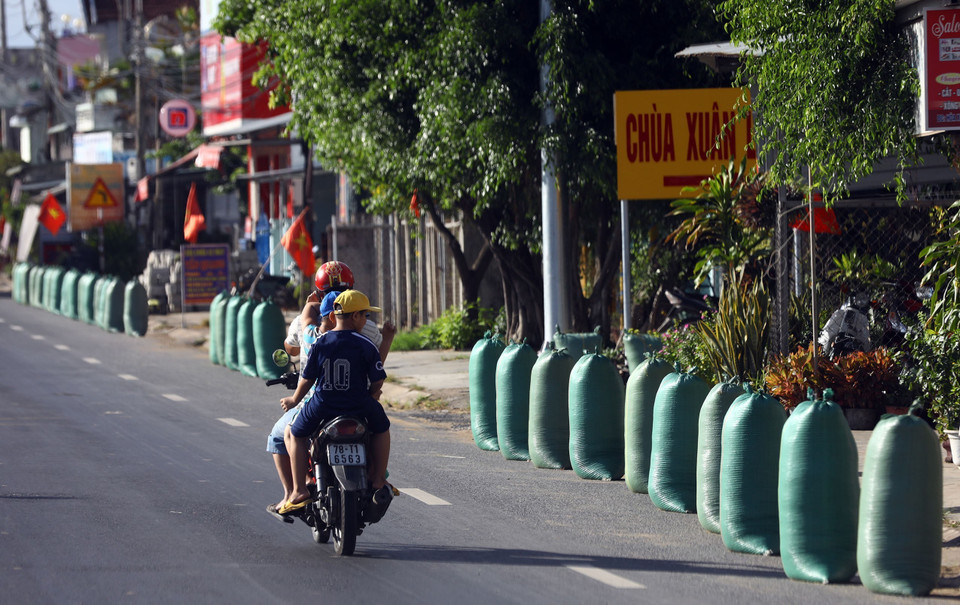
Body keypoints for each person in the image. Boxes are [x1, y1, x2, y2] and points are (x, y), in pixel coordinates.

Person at [265, 261, 395, 515]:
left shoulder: (316, 339)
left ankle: (299, 490)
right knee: (382, 427)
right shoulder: (366, 339)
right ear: (355, 315)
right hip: (358, 403)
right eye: (364, 314)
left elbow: (308, 377)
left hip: (322, 403)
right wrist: (372, 396)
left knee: (293, 433)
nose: (367, 319)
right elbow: (378, 376)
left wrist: (294, 399)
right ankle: (379, 478)